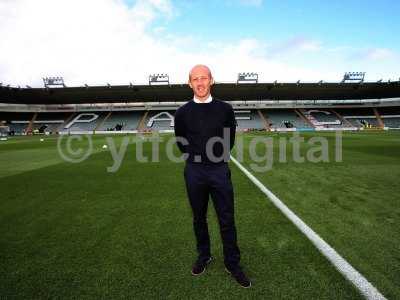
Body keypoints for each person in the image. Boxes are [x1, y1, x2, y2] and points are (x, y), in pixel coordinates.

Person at [174, 64, 251, 288]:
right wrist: (197, 158)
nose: (200, 82)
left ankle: (232, 263)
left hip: (219, 170)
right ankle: (204, 255)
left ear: (211, 81)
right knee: (199, 218)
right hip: (194, 171)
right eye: (195, 79)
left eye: (204, 78)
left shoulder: (225, 109)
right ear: (190, 83)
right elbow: (181, 141)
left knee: (226, 218)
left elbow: (230, 139)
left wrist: (216, 157)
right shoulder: (182, 112)